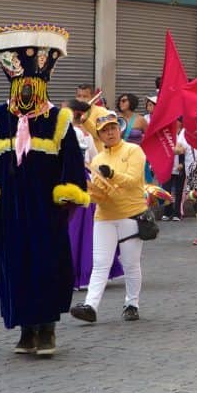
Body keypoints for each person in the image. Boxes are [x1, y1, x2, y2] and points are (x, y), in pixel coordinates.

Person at [0, 24, 88, 356]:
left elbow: (72, 165)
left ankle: (47, 329)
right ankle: (25, 329)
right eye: (21, 84)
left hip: (46, 208)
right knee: (15, 264)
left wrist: (67, 194)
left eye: (34, 84)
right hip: (11, 210)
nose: (27, 91)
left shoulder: (58, 119)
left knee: (46, 263)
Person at [70, 111, 148, 324]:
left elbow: (133, 181)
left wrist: (112, 174)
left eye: (113, 128)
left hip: (131, 214)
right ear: (100, 135)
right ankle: (90, 306)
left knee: (131, 263)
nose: (110, 133)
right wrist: (87, 191)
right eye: (105, 131)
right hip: (104, 215)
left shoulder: (134, 150)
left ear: (119, 129)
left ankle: (132, 304)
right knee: (100, 263)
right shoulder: (97, 158)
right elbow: (99, 191)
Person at [66, 104, 124, 290]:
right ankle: (90, 271)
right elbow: (93, 159)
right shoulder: (87, 135)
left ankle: (75, 273)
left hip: (72, 181)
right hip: (86, 179)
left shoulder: (68, 134)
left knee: (74, 228)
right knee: (86, 228)